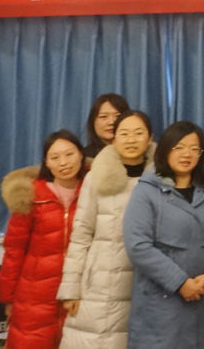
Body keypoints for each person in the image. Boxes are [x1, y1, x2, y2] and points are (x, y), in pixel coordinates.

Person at [123, 122, 204, 349]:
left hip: (203, 299)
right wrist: (179, 282)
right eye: (178, 147)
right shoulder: (146, 191)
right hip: (159, 302)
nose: (186, 154)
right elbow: (138, 246)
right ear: (165, 150)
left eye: (194, 148)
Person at [59, 111, 155, 349]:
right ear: (114, 138)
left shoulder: (161, 180)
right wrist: (70, 288)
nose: (131, 140)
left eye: (138, 133)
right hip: (99, 284)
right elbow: (81, 235)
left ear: (150, 138)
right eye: (124, 133)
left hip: (146, 283)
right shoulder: (96, 177)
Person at [0, 130, 87, 349]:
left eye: (69, 154)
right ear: (46, 162)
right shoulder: (31, 196)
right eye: (55, 157)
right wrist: (8, 298)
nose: (63, 162)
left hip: (80, 293)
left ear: (81, 155)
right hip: (33, 297)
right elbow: (14, 250)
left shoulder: (93, 193)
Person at [83, 93, 130, 158]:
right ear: (93, 121)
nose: (111, 122)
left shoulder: (138, 154)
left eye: (117, 116)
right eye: (103, 116)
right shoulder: (83, 157)